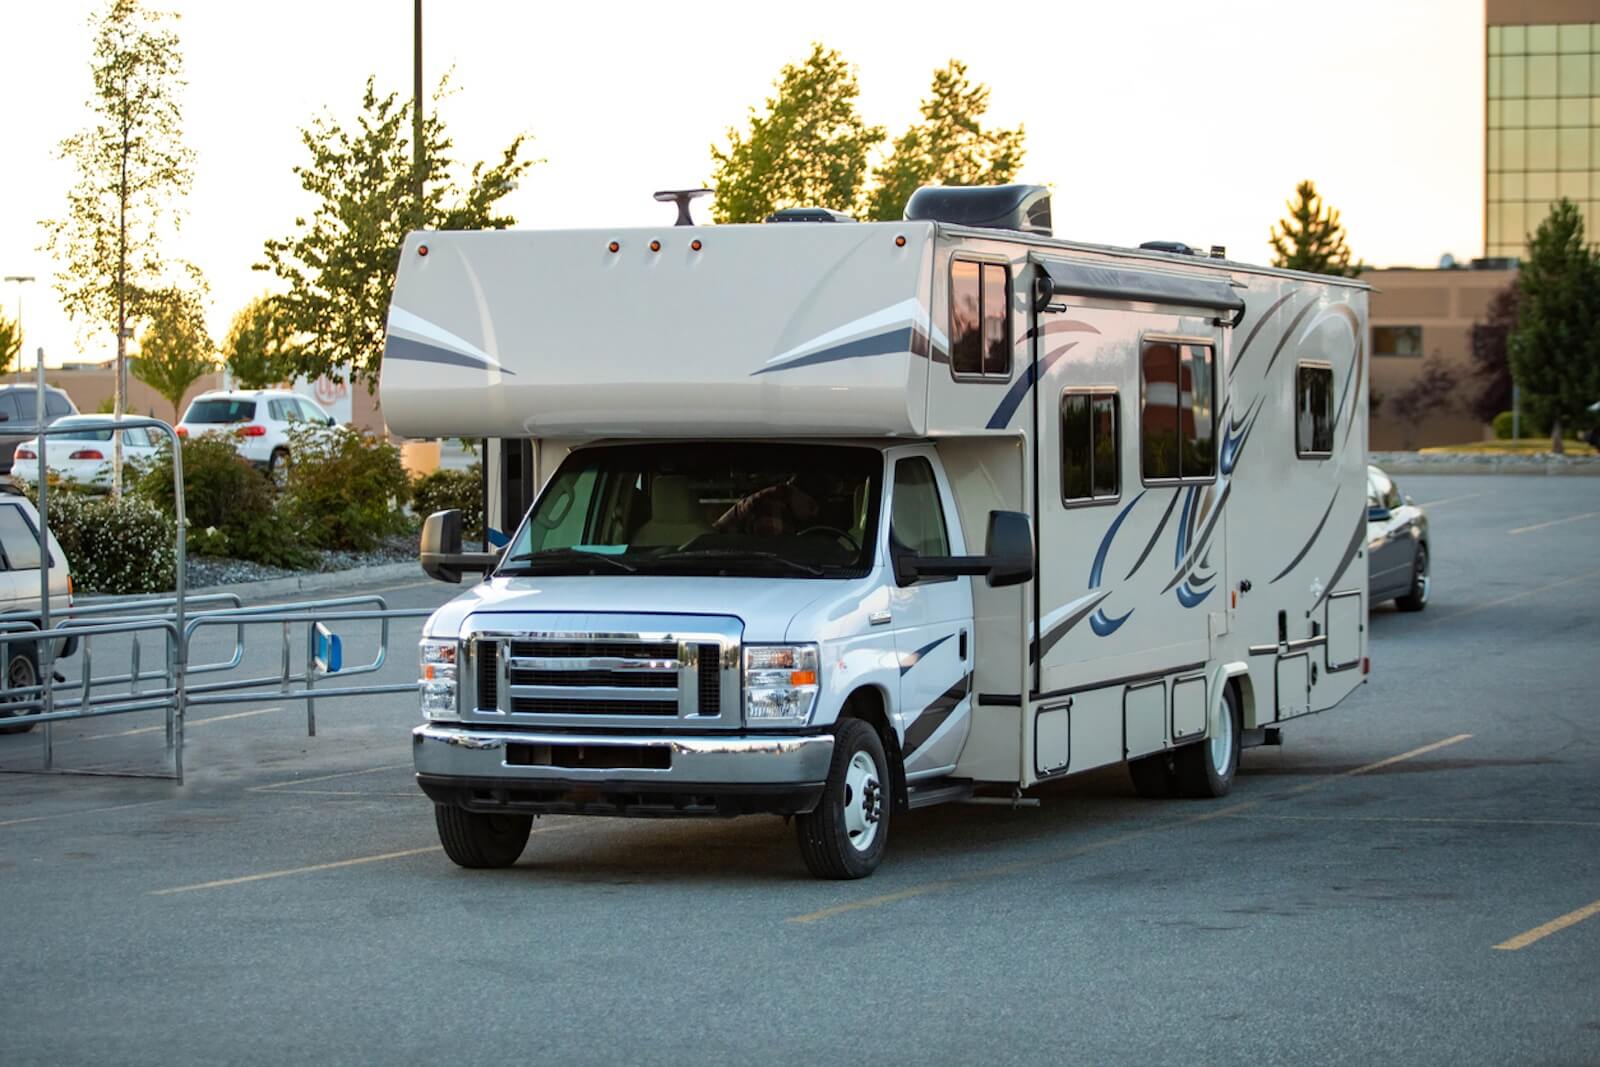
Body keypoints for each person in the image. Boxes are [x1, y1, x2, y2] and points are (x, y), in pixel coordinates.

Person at [714, 475, 821, 537]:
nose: (813, 514)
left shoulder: (784, 503)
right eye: (810, 506)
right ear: (796, 492)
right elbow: (778, 555)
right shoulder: (772, 504)